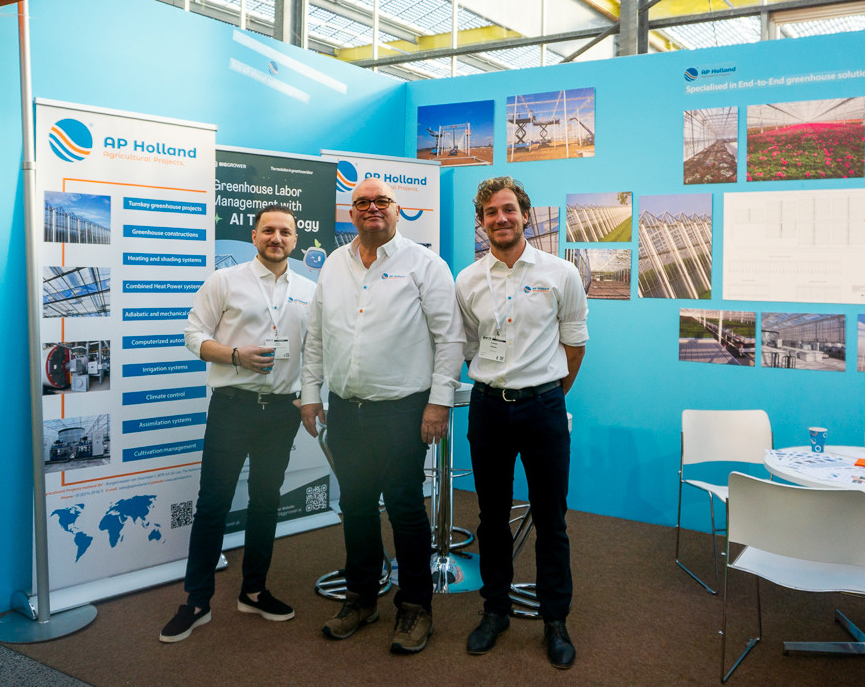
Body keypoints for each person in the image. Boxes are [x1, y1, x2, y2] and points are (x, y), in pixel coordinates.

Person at [300, 177, 463, 655]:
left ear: (397, 209)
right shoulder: (335, 263)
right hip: (346, 410)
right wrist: (310, 394)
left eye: (381, 201)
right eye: (362, 203)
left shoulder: (425, 264)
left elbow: (450, 338)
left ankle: (415, 607)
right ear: (351, 213)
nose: (372, 208)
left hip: (403, 411)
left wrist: (439, 403)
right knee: (355, 506)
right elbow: (317, 335)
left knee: (405, 510)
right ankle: (361, 597)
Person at [159, 204, 316, 643]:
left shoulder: (309, 289)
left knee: (266, 500)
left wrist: (308, 397)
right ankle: (196, 601)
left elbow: (314, 350)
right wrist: (234, 356)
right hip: (232, 406)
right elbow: (193, 336)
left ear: (295, 239)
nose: (276, 238)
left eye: (285, 232)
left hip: (281, 411)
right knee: (213, 504)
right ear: (254, 236)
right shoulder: (224, 281)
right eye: (268, 230)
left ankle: (254, 590)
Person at [454, 176, 588, 669]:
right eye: (490, 212)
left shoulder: (561, 273)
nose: (501, 218)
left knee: (551, 518)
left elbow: (575, 344)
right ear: (481, 222)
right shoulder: (468, 280)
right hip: (488, 408)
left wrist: (546, 395)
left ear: (525, 215)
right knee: (491, 517)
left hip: (543, 408)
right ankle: (495, 610)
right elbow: (468, 345)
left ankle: (556, 620)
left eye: (508, 209)